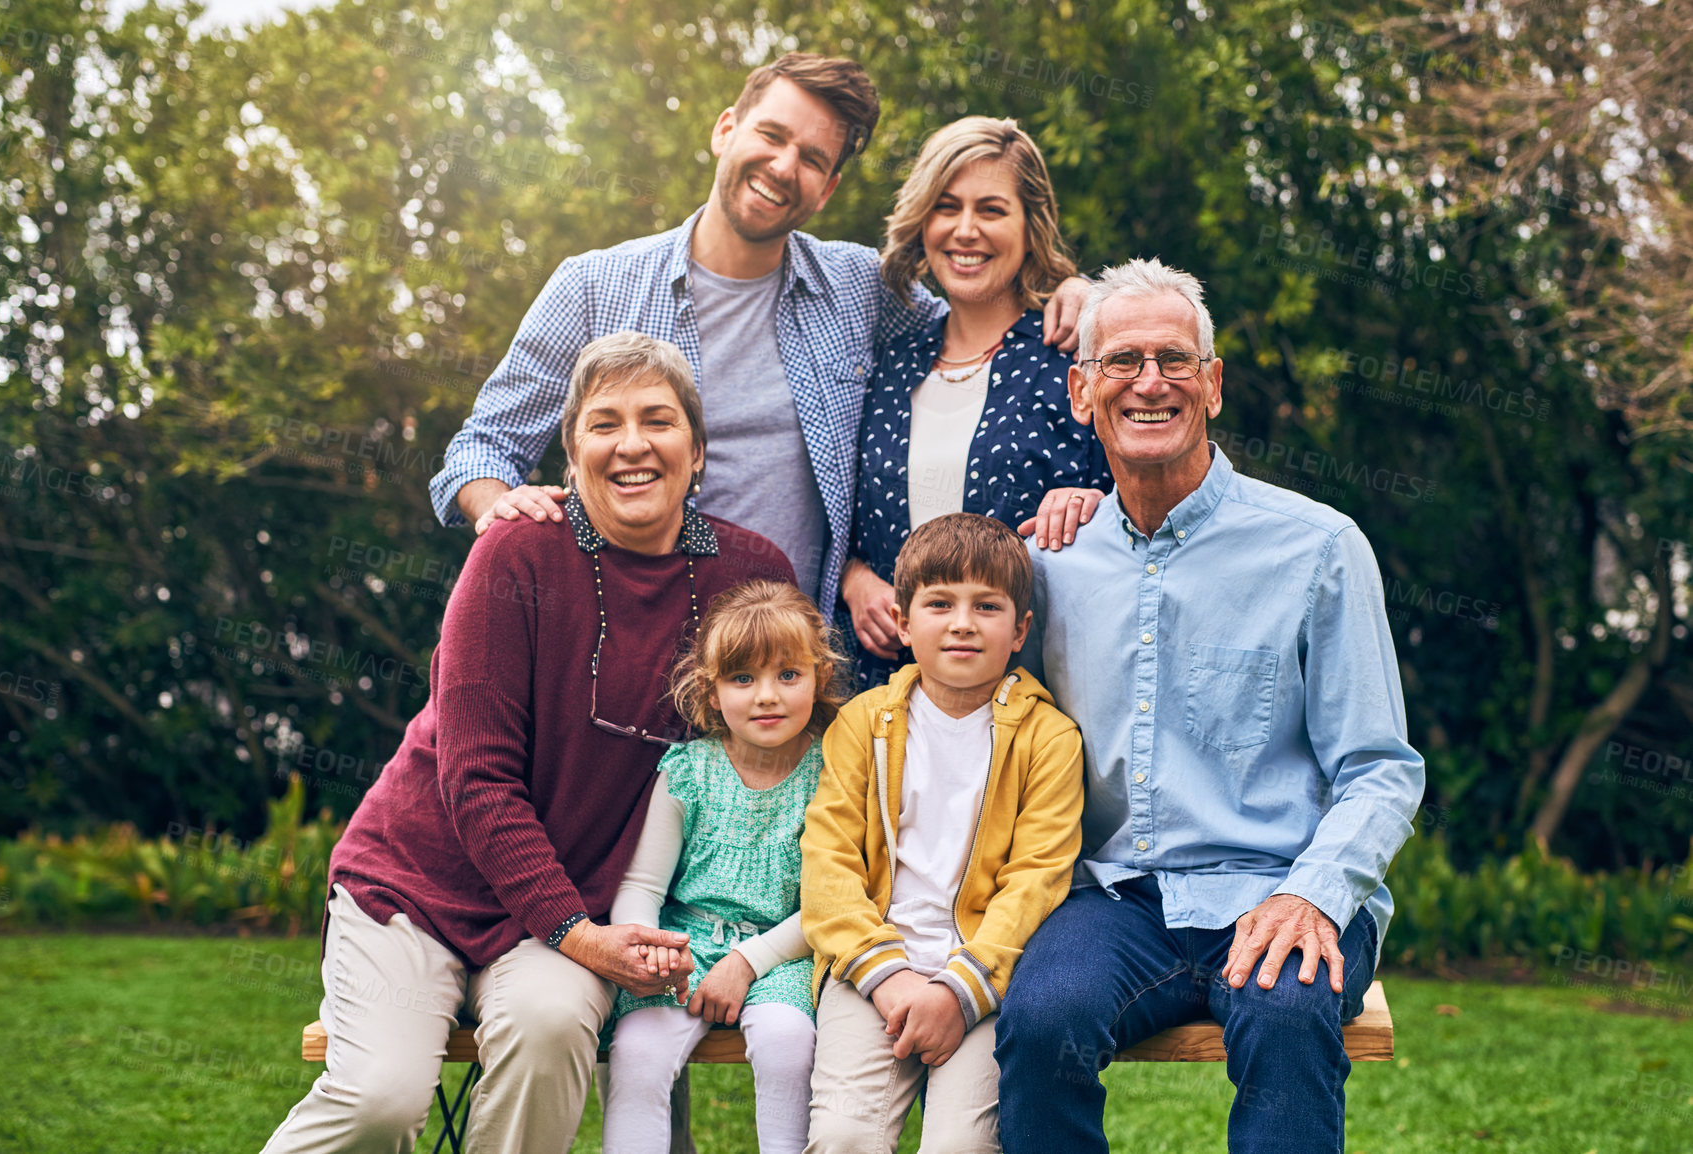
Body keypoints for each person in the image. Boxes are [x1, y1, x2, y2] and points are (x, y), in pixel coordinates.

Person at [258, 333, 794, 1154]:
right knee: (378, 1101)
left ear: (696, 447)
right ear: (572, 454)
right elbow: (476, 782)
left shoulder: (749, 577)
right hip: (417, 886)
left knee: (548, 1030)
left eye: (657, 420)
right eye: (603, 423)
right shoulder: (517, 551)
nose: (632, 444)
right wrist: (580, 936)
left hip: (565, 907)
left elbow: (769, 761)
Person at [993, 258, 1426, 1154]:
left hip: (1278, 882)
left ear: (1212, 385)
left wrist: (1311, 894)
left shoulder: (1318, 549)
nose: (1149, 382)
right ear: (1082, 392)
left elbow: (1379, 769)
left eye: (1173, 359)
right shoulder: (1048, 565)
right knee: (1040, 1022)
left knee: (1285, 1011)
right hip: (1116, 898)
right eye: (1120, 362)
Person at [429, 54, 1093, 616]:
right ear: (726, 129)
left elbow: (973, 321)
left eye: (810, 158)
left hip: (792, 684)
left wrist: (1078, 294)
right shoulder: (593, 287)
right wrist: (500, 506)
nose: (782, 166)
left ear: (828, 188)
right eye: (770, 135)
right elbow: (481, 448)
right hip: (626, 645)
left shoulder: (859, 289)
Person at [799, 513, 1085, 1154]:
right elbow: (828, 861)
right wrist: (889, 977)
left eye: (987, 606)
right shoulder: (862, 724)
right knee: (845, 1136)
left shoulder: (1049, 739)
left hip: (985, 976)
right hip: (870, 969)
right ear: (902, 622)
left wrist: (960, 990)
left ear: (1020, 631)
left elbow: (1037, 880)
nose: (962, 622)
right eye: (939, 603)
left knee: (960, 1146)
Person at [841, 117, 1113, 689]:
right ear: (922, 220)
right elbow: (835, 509)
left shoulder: (1073, 357)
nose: (966, 230)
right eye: (947, 206)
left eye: (991, 210)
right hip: (886, 702)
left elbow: (1146, 512)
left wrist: (1095, 505)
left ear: (1030, 226)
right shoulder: (889, 363)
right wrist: (854, 578)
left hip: (1036, 704)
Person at [602, 580, 846, 1154]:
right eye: (743, 679)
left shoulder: (832, 772)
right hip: (682, 948)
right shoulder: (688, 769)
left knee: (789, 1044)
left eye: (788, 676)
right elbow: (641, 883)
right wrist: (652, 946)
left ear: (819, 679)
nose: (767, 696)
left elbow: (827, 901)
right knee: (636, 1054)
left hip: (782, 952)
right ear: (712, 693)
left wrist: (745, 962)